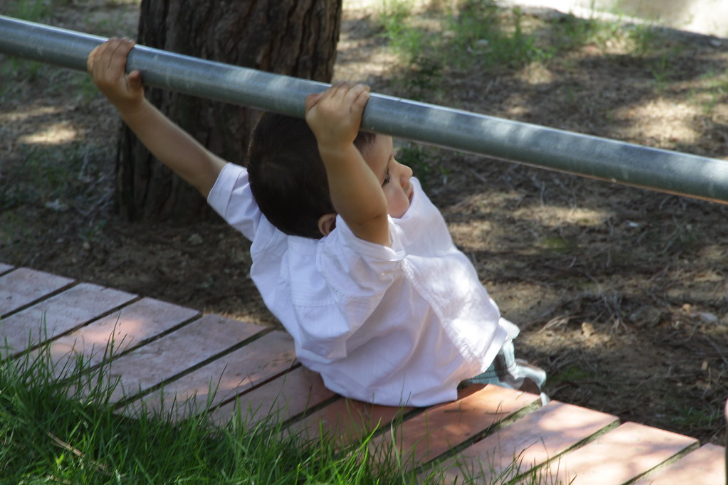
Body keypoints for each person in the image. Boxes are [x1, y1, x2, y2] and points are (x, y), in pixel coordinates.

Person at [87, 38, 546, 407]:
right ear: (334, 223)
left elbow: (200, 169)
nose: (406, 174)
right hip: (454, 374)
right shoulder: (360, 249)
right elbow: (364, 214)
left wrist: (131, 108)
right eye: (385, 175)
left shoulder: (277, 213)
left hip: (363, 378)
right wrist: (334, 147)